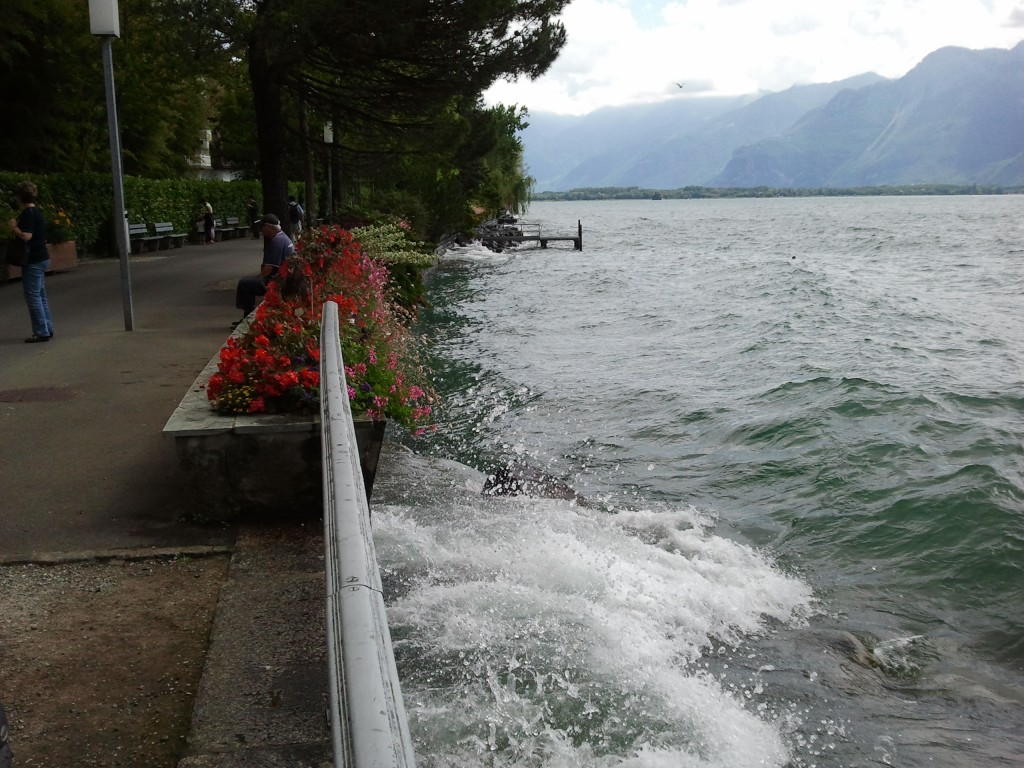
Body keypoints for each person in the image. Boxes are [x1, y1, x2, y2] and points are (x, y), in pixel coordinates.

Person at [8, 181, 55, 343]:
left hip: (33, 260)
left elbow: (27, 236)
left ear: (20, 196)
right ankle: (47, 327)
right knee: (40, 295)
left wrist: (14, 227)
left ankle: (41, 331)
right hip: (42, 257)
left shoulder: (27, 214)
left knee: (33, 296)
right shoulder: (37, 213)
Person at [233, 214, 294, 327]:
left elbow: (269, 267)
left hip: (277, 280)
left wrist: (259, 278)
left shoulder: (277, 241)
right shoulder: (283, 237)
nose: (261, 230)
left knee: (245, 284)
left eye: (262, 226)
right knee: (249, 283)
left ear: (269, 227)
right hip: (284, 277)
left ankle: (248, 317)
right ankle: (248, 316)